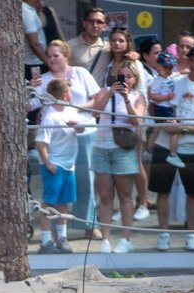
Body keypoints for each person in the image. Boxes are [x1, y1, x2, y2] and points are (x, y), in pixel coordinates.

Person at [149, 46, 194, 252]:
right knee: (162, 191)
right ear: (188, 62)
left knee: (193, 193)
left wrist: (184, 128)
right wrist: (162, 122)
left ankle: (191, 234)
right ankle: (163, 234)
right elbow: (155, 105)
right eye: (192, 60)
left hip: (192, 147)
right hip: (164, 143)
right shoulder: (174, 81)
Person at [28, 40, 100, 238]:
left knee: (86, 181)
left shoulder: (81, 73)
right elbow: (30, 105)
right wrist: (30, 88)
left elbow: (97, 97)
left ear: (66, 56)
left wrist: (74, 110)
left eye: (56, 55)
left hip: (83, 133)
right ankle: (53, 233)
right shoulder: (43, 79)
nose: (51, 59)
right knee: (57, 187)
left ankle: (88, 225)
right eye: (49, 56)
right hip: (57, 140)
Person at [90, 60, 146, 253]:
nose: (125, 80)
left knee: (124, 195)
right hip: (101, 147)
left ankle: (125, 238)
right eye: (122, 76)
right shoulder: (104, 91)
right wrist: (110, 94)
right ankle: (105, 239)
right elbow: (93, 112)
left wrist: (126, 99)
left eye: (129, 76)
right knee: (105, 196)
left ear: (135, 79)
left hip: (123, 149)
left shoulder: (138, 97)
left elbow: (136, 120)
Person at [34, 79, 83, 254]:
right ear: (65, 95)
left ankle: (62, 237)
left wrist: (77, 127)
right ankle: (46, 239)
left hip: (70, 164)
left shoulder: (70, 111)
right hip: (55, 165)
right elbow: (40, 142)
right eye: (69, 92)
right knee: (49, 203)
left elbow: (81, 130)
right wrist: (48, 163)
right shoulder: (50, 116)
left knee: (63, 203)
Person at [146, 51, 185, 169]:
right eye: (165, 67)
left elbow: (180, 72)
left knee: (156, 130)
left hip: (166, 108)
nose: (168, 70)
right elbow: (152, 96)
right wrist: (166, 97)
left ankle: (148, 150)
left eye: (170, 67)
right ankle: (173, 154)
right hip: (163, 109)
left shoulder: (170, 77)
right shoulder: (157, 81)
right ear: (158, 66)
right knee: (175, 130)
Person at [68, 6, 110, 84]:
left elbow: (124, 58)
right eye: (91, 21)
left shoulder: (109, 48)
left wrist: (134, 55)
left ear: (104, 27)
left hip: (100, 95)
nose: (95, 25)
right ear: (84, 24)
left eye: (99, 22)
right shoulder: (69, 46)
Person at [23, 0, 49, 76]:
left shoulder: (30, 9)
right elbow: (34, 44)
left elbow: (43, 23)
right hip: (34, 63)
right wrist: (48, 62)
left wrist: (39, 9)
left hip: (38, 60)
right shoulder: (26, 12)